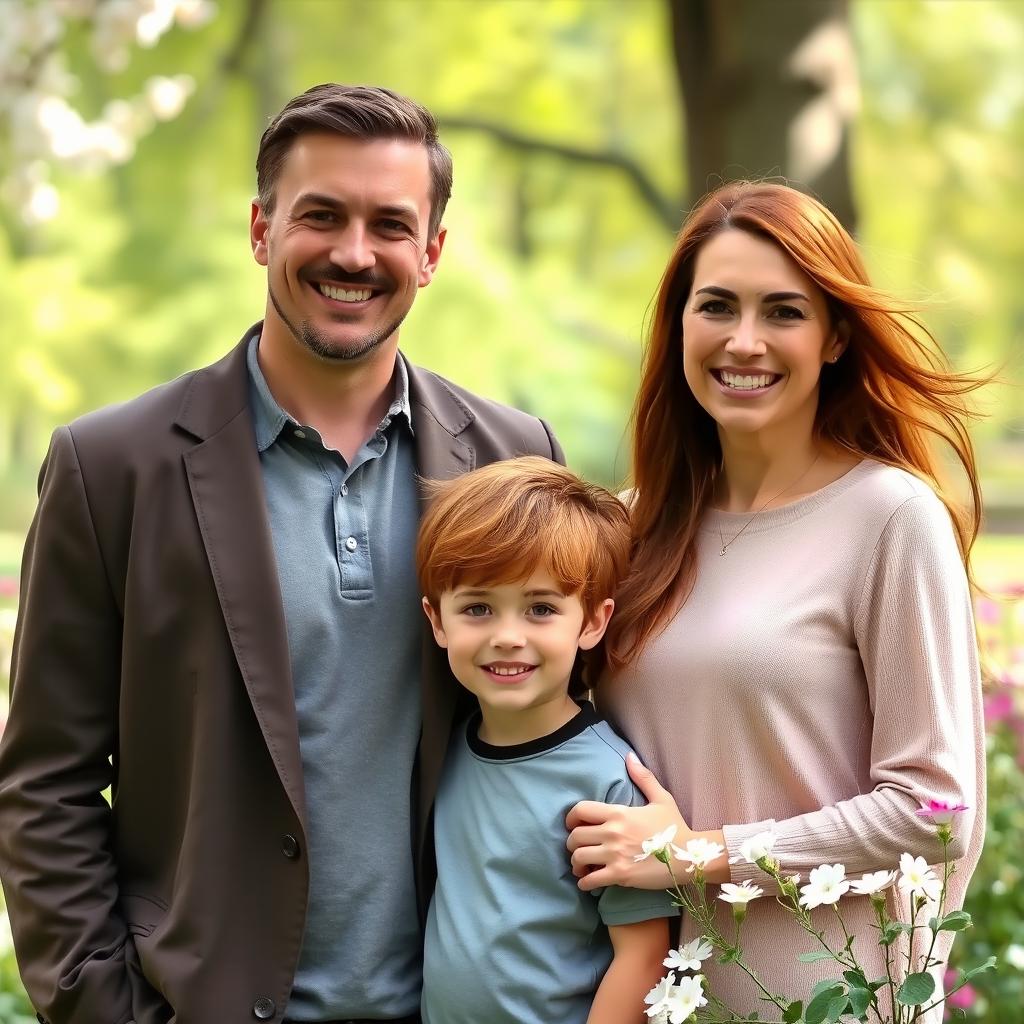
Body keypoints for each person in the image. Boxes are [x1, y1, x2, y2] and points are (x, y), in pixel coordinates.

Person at [0, 84, 564, 1024]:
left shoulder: (515, 458)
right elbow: (45, 784)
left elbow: (569, 730)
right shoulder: (111, 469)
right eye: (321, 216)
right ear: (262, 229)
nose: (353, 252)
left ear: (431, 254)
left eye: (390, 224)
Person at [565, 181, 986, 1018]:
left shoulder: (891, 519)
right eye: (716, 306)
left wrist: (706, 855)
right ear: (679, 325)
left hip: (828, 1003)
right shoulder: (628, 526)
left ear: (834, 337)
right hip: (641, 1004)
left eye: (784, 312)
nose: (744, 341)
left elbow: (935, 811)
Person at [415, 457, 675, 1024]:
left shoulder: (609, 782)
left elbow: (644, 952)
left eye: (540, 609)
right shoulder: (442, 751)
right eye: (478, 608)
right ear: (437, 621)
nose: (508, 637)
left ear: (592, 622)